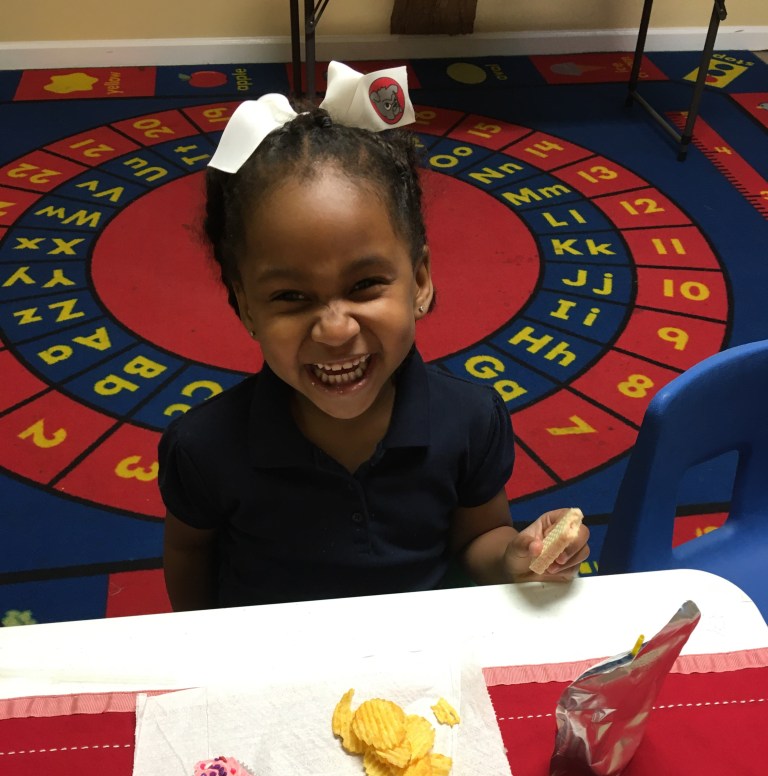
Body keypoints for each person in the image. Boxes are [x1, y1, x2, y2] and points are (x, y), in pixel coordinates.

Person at [159, 62, 589, 612]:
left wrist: (516, 556)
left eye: (364, 285)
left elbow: (479, 537)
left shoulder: (470, 420)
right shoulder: (203, 448)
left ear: (420, 281)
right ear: (245, 306)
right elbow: (189, 553)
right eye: (290, 297)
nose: (335, 329)